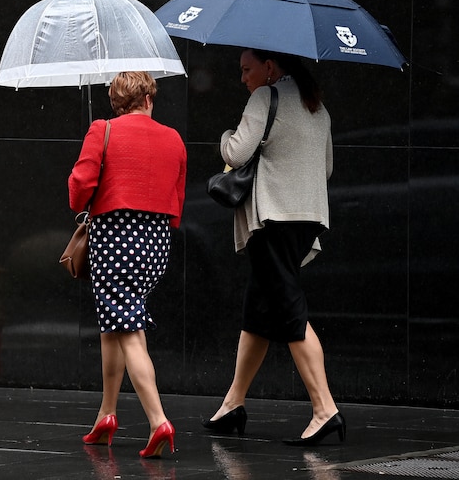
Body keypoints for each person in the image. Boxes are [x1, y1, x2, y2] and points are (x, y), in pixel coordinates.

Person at [203, 48, 344, 446]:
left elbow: (235, 153)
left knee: (288, 309)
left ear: (269, 67)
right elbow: (327, 167)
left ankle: (325, 409)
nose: (243, 78)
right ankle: (233, 403)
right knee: (259, 309)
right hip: (307, 217)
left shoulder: (265, 97)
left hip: (273, 219)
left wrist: (227, 136)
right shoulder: (319, 107)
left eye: (247, 70)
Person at [69, 71, 187, 458]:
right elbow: (177, 195)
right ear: (149, 99)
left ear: (114, 100)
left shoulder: (101, 130)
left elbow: (78, 190)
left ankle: (158, 421)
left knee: (128, 329)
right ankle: (107, 413)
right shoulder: (173, 138)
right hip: (156, 244)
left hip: (115, 241)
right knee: (115, 326)